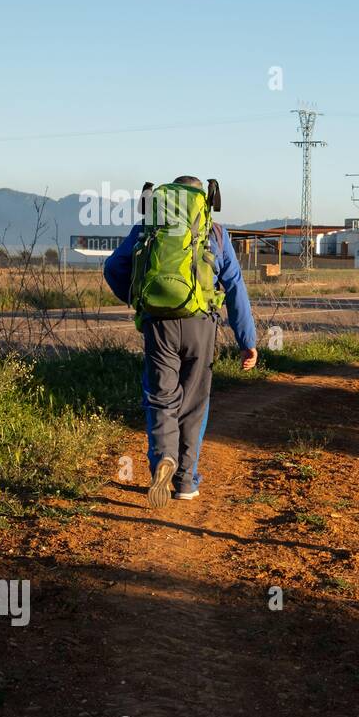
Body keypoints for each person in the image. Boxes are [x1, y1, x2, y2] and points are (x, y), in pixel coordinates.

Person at [103, 176, 258, 508]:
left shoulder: (150, 228)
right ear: (202, 200)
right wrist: (247, 339)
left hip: (160, 324)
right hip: (202, 324)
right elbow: (234, 286)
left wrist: (139, 298)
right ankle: (186, 481)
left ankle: (163, 458)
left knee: (161, 399)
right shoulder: (215, 232)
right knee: (194, 404)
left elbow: (113, 266)